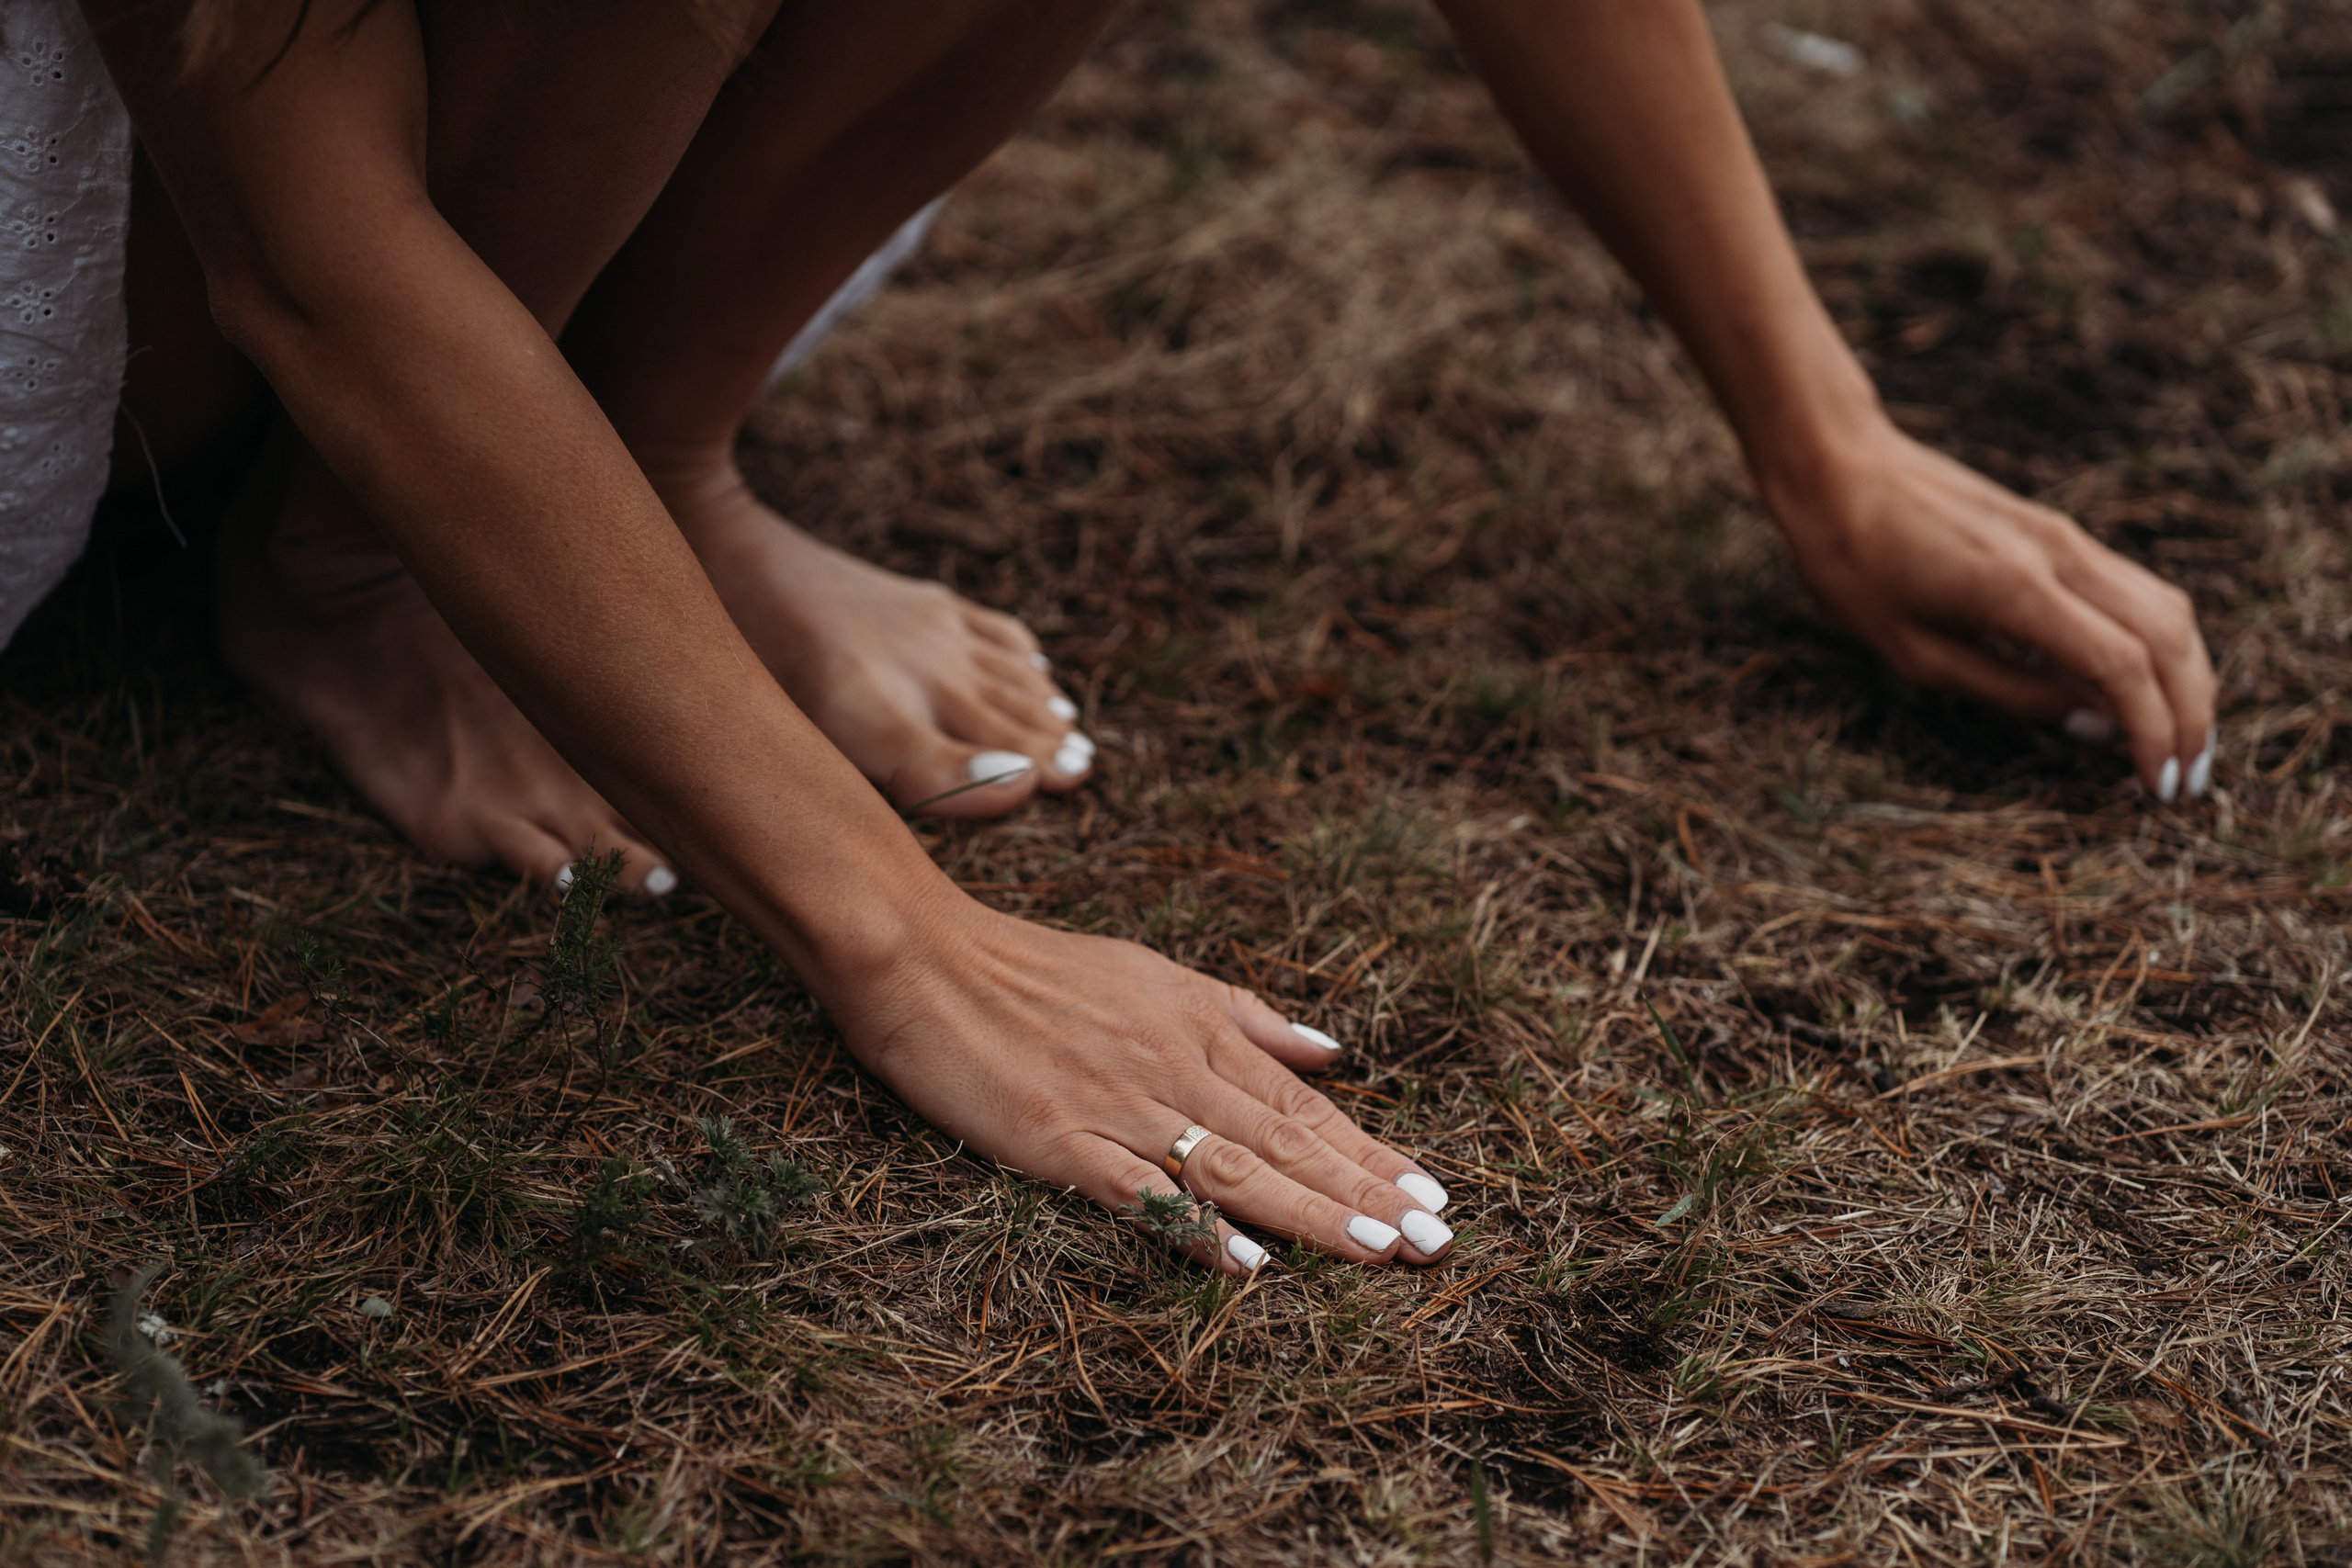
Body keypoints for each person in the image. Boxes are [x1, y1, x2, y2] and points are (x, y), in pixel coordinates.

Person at [16, 0, 2214, 1274]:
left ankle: (637, 439)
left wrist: (1818, 433)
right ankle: (347, 566)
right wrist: (911, 942)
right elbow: (308, 250)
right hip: (146, 240)